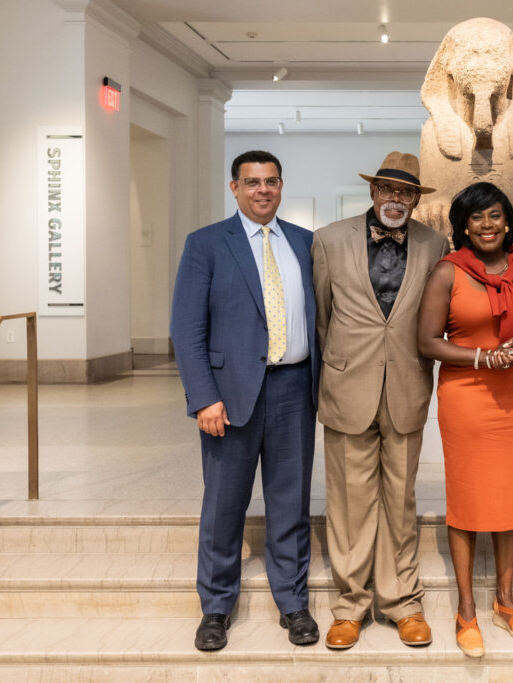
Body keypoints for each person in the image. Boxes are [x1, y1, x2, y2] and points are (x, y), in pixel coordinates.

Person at [170, 150, 320, 651]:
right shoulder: (207, 244)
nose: (263, 190)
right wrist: (203, 398)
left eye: (271, 181)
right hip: (229, 398)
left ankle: (293, 603)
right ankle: (215, 608)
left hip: (295, 389)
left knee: (290, 503)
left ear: (281, 186)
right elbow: (187, 330)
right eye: (252, 182)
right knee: (223, 506)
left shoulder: (304, 243)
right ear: (234, 187)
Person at [311, 151, 449, 651]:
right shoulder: (328, 240)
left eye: (406, 192)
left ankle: (402, 604)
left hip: (408, 387)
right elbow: (324, 318)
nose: (396, 199)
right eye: (388, 189)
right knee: (348, 501)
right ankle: (349, 607)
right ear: (372, 192)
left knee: (401, 500)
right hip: (348, 387)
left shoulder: (436, 243)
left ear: (416, 199)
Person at [417, 182, 513, 658]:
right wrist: (481, 359)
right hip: (466, 395)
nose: (486, 225)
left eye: (494, 215)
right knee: (466, 496)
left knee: (509, 493)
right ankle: (465, 610)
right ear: (462, 225)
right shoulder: (447, 273)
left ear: (507, 221)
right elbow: (427, 341)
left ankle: (504, 601)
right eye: (476, 217)